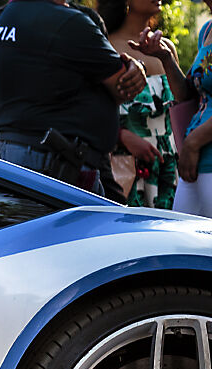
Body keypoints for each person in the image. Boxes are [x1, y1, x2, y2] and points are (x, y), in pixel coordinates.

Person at [0, 0, 147, 197]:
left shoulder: (6, 18)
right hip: (53, 163)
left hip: (16, 154)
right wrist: (138, 68)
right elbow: (123, 85)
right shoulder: (69, 22)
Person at [99, 0, 188, 208]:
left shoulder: (167, 48)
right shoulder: (106, 45)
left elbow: (184, 106)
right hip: (122, 167)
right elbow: (89, 108)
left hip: (168, 167)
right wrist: (121, 137)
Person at [174, 0, 212, 216]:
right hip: (195, 161)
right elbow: (188, 94)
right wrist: (166, 58)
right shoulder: (206, 30)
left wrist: (193, 142)